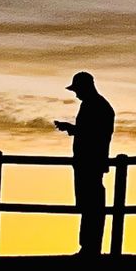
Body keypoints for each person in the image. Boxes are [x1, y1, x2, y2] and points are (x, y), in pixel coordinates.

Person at [54, 72, 115, 256]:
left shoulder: (96, 106)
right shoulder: (96, 105)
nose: (76, 94)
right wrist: (73, 129)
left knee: (92, 204)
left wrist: (72, 129)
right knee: (89, 204)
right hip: (87, 162)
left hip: (90, 162)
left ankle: (90, 247)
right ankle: (88, 246)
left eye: (77, 89)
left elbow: (93, 134)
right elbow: (90, 132)